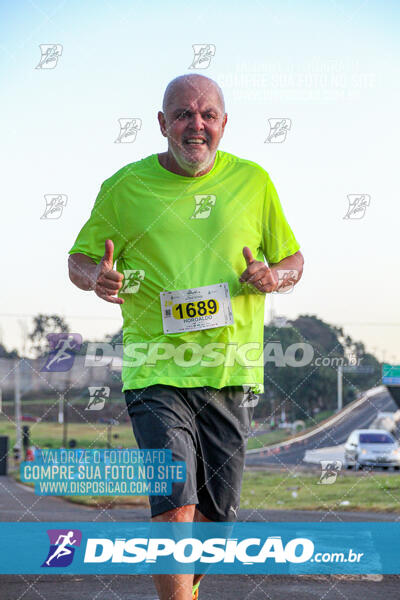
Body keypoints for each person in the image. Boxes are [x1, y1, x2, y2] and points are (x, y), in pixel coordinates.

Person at [68, 73, 304, 600]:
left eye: (207, 115)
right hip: (155, 371)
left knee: (217, 524)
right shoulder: (124, 188)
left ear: (223, 123)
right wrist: (94, 277)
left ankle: (188, 588)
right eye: (182, 114)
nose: (195, 125)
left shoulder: (255, 182)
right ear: (161, 123)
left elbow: (293, 259)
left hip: (229, 371)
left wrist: (275, 276)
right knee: (174, 499)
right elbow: (79, 259)